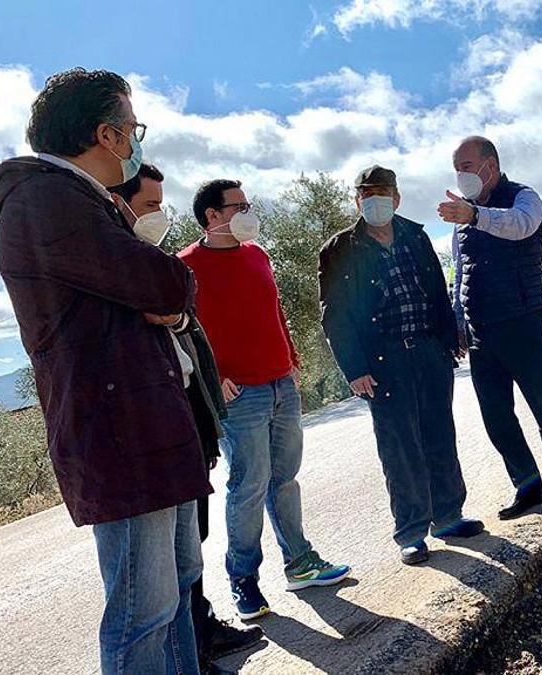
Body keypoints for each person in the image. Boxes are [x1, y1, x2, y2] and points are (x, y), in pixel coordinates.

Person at [0, 68, 207, 675]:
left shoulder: (79, 201)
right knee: (142, 614)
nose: (136, 143)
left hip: (147, 429)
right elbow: (164, 282)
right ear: (106, 134)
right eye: (132, 130)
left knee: (176, 594)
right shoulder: (48, 200)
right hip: (122, 435)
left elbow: (162, 298)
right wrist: (171, 289)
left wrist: (168, 299)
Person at [108, 163, 265, 669]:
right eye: (151, 205)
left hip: (189, 420)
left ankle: (198, 633)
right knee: (162, 568)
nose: (159, 215)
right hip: (156, 429)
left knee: (189, 543)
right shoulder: (120, 267)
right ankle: (190, 643)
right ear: (120, 204)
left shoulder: (152, 263)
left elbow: (183, 323)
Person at [179, 179, 350, 621]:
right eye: (238, 206)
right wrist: (213, 379)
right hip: (241, 397)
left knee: (285, 479)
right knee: (248, 487)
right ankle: (243, 579)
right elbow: (185, 334)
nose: (248, 213)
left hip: (280, 385)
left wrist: (291, 359)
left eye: (248, 204)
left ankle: (300, 563)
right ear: (211, 216)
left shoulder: (257, 255)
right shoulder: (187, 267)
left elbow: (275, 310)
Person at [319, 166, 483, 565]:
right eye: (368, 193)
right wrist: (354, 369)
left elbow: (435, 290)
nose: (376, 199)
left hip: (429, 351)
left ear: (397, 197)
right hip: (383, 360)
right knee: (399, 446)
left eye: (383, 192)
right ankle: (410, 532)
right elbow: (335, 314)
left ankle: (448, 516)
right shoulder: (340, 248)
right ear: (358, 200)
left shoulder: (416, 234)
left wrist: (449, 337)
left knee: (439, 435)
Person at [438, 136, 542, 521]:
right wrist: (458, 319)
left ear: (490, 166)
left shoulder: (524, 197)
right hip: (482, 331)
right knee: (496, 416)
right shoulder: (464, 216)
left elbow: (521, 226)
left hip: (522, 323)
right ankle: (528, 487)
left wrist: (476, 216)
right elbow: (460, 271)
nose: (461, 175)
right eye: (457, 168)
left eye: (466, 166)